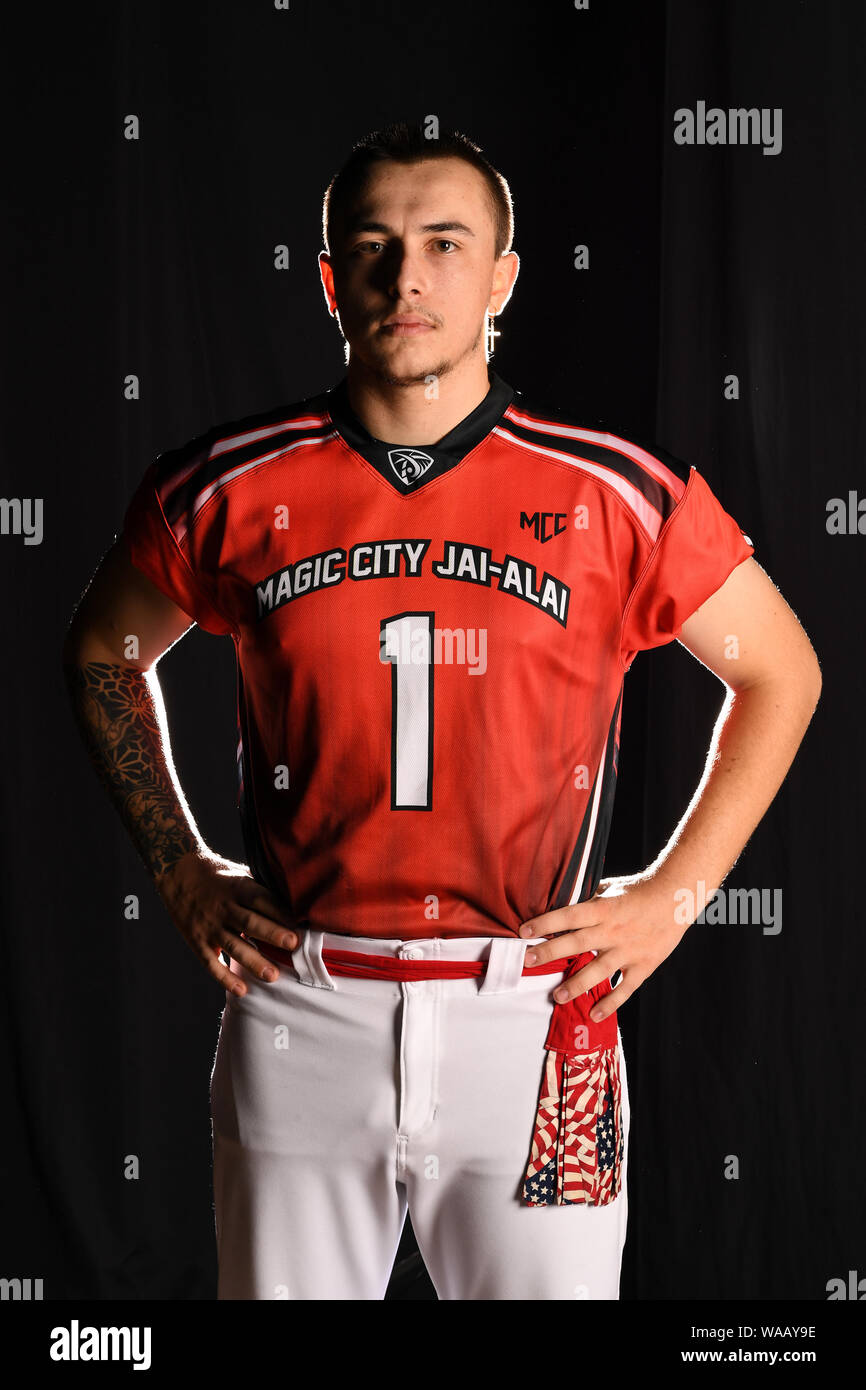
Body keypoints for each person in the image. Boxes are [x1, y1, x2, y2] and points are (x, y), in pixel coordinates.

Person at [62, 121, 822, 1301]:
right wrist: (178, 866)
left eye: (443, 242)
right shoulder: (225, 484)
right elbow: (104, 657)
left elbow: (783, 669)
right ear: (328, 279)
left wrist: (676, 897)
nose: (405, 275)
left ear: (502, 277)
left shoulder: (613, 489)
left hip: (534, 1018)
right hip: (299, 1008)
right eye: (370, 245)